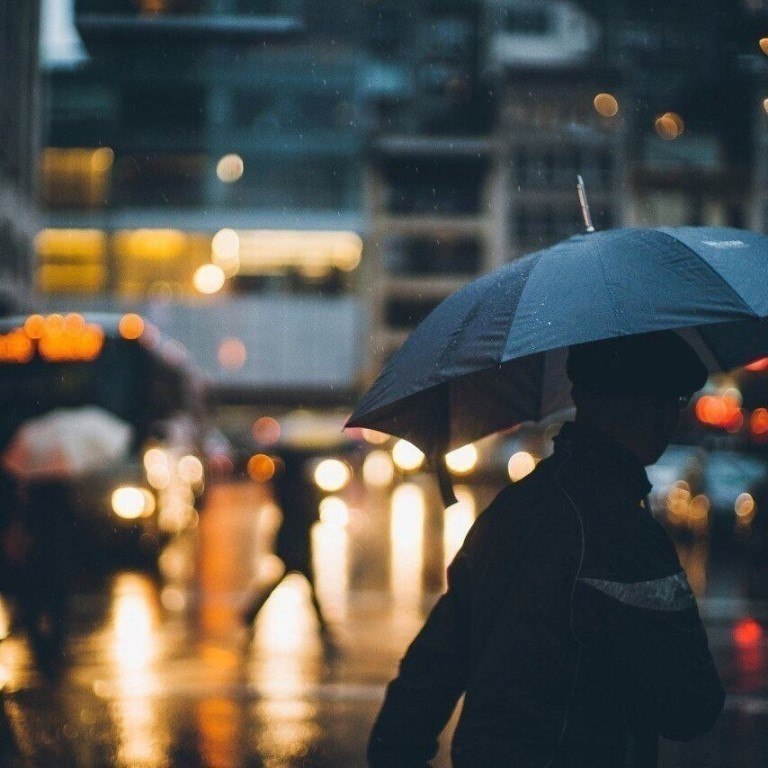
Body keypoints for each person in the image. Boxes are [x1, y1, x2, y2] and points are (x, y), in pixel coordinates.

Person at [367, 331, 725, 767]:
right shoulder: (622, 532)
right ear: (657, 408)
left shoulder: (515, 507)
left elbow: (433, 666)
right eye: (678, 399)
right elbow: (690, 705)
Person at [240, 447, 334, 650]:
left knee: (289, 582)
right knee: (306, 585)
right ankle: (323, 628)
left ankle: (251, 613)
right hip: (298, 544)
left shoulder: (283, 486)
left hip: (289, 542)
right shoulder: (300, 488)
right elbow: (312, 515)